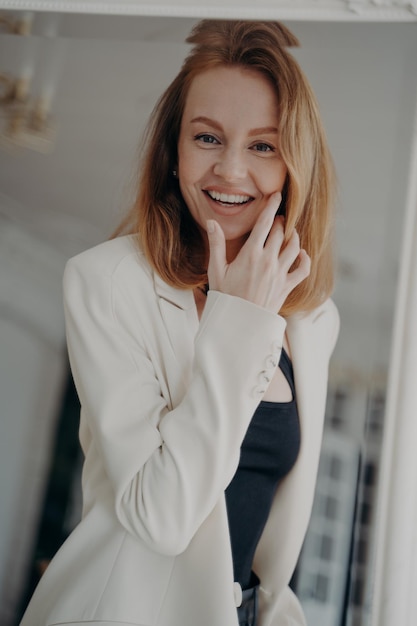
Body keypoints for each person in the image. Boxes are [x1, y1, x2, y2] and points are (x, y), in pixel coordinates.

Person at [20, 19, 339, 626]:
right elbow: (160, 518)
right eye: (207, 137)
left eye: (264, 145)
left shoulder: (313, 319)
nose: (231, 170)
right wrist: (238, 317)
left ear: (296, 166)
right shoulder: (108, 285)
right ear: (173, 151)